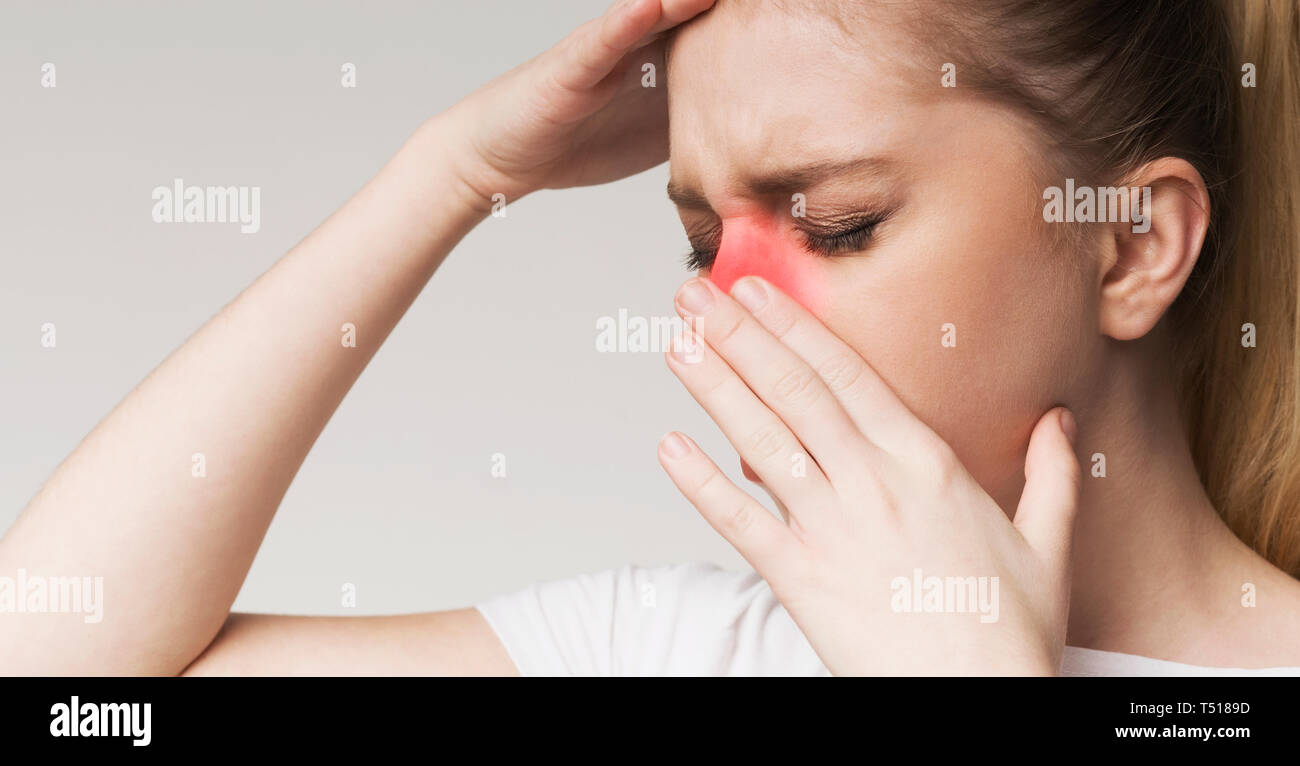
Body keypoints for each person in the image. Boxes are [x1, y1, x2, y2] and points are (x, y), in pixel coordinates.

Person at [3, 0, 1299, 676]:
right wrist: (450, 173)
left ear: (1131, 243)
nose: (722, 306)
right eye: (696, 241)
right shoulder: (683, 649)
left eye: (839, 223)